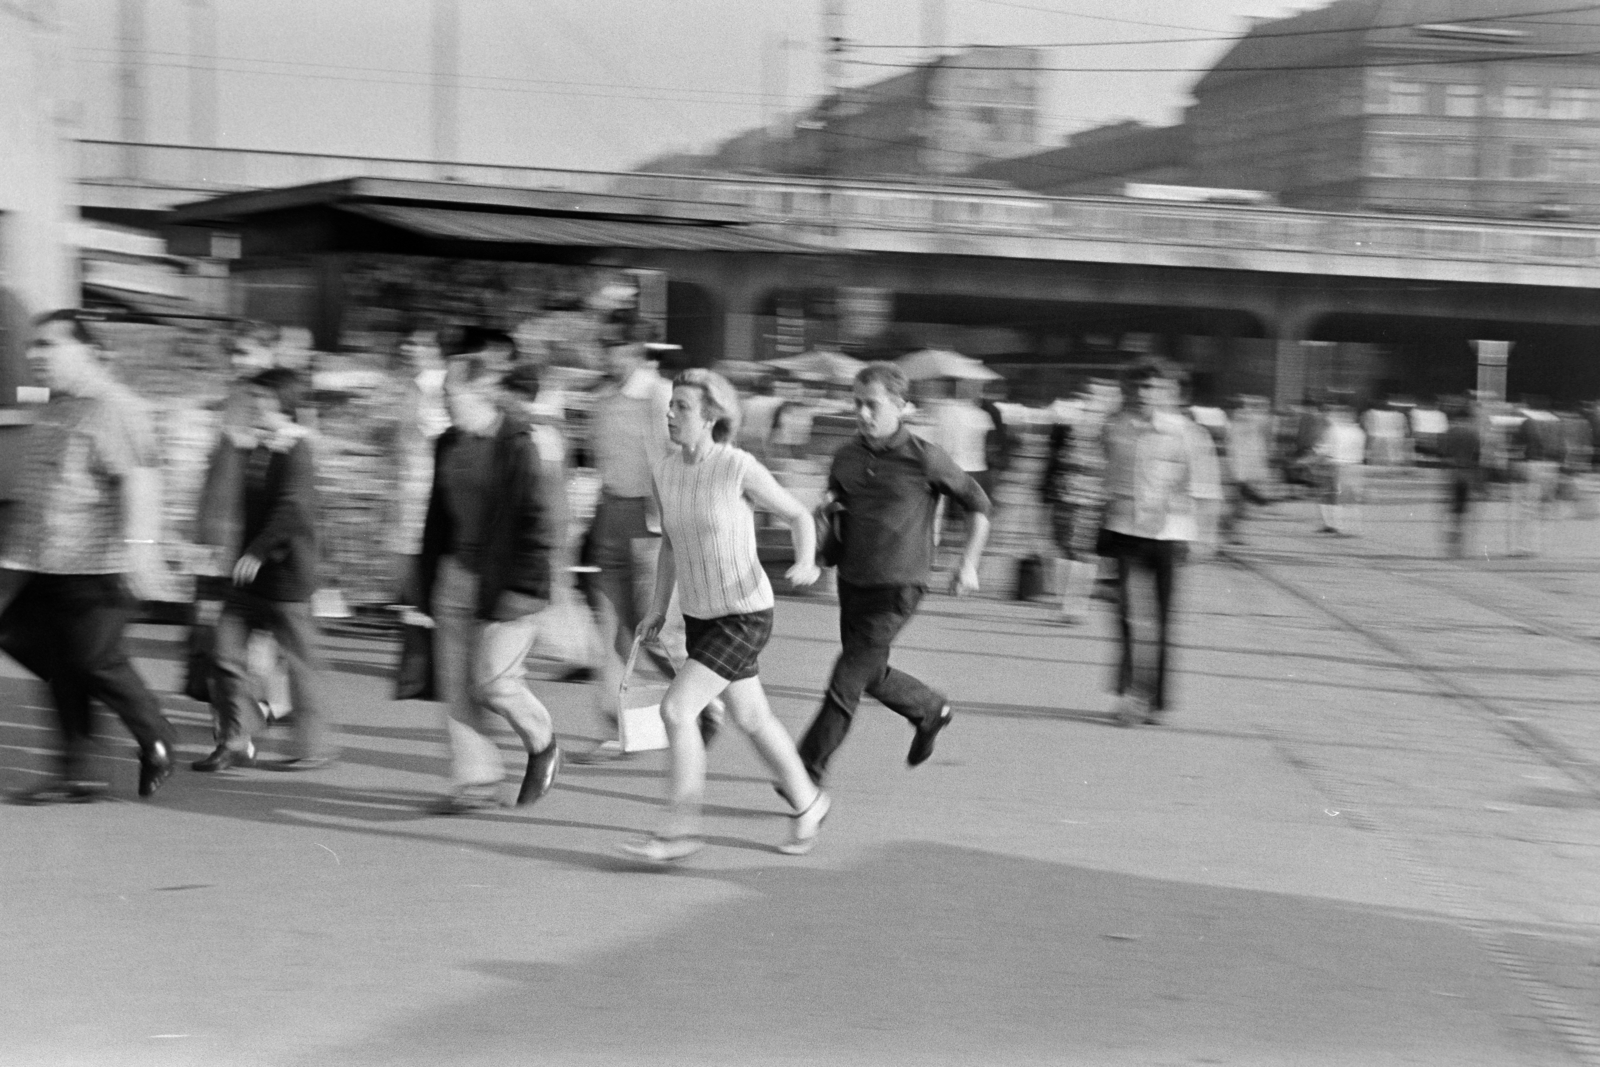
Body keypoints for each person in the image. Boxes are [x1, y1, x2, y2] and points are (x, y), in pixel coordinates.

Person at [620, 370, 828, 863]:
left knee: (677, 709)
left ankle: (679, 828)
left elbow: (799, 514)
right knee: (752, 717)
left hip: (745, 614)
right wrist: (656, 607)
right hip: (700, 617)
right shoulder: (665, 470)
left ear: (712, 415)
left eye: (682, 407)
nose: (670, 413)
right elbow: (670, 543)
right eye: (670, 405)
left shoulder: (737, 466)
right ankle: (809, 801)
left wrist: (805, 561)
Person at [0, 310, 180, 802]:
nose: (36, 355)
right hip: (46, 564)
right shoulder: (56, 407)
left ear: (90, 351)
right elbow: (41, 490)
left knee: (93, 661)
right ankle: (78, 772)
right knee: (49, 656)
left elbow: (140, 480)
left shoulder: (113, 407)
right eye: (33, 345)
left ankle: (156, 734)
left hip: (99, 568)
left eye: (50, 345)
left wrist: (141, 551)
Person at [796, 362, 992, 787]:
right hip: (853, 580)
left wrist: (969, 563)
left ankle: (804, 773)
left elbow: (979, 506)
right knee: (869, 671)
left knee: (846, 677)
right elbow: (834, 510)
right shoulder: (846, 455)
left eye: (873, 405)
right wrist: (817, 546)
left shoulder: (925, 458)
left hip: (900, 585)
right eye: (857, 404)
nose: (863, 414)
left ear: (900, 406)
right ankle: (929, 709)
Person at [413, 346, 565, 813]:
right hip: (455, 575)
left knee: (496, 682)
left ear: (481, 393)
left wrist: (523, 589)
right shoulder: (447, 442)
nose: (445, 404)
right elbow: (436, 516)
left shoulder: (519, 443)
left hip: (507, 580)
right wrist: (423, 580)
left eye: (451, 395)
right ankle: (475, 780)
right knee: (457, 685)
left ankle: (542, 742)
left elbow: (537, 523)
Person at [577, 322, 715, 761]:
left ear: (635, 351)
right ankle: (622, 727)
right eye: (604, 348)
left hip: (651, 523)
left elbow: (682, 457)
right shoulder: (602, 400)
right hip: (611, 514)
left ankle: (705, 698)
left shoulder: (659, 397)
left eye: (614, 348)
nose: (606, 357)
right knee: (614, 628)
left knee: (656, 631)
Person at [191, 369, 333, 772]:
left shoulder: (297, 448)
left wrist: (257, 551)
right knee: (223, 654)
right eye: (254, 399)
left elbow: (293, 508)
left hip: (287, 576)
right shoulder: (257, 446)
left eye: (265, 400)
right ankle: (236, 738)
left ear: (284, 403)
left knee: (302, 665)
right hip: (247, 575)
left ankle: (313, 747)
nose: (257, 406)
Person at [1099, 361, 1222, 728]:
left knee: (1162, 622)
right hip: (1123, 531)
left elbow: (1207, 488)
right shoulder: (1117, 427)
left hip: (1169, 535)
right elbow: (1106, 476)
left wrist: (1206, 535)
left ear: (1170, 392)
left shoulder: (1188, 434)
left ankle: (1154, 700)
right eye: (1140, 386)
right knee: (1125, 617)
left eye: (1154, 387)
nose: (1145, 393)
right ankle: (1130, 695)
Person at [1041, 379, 1115, 624]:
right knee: (1064, 548)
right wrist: (1045, 491)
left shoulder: (1110, 428)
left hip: (1092, 499)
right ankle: (1065, 600)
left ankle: (1075, 604)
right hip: (1064, 495)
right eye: (1088, 394)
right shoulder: (1066, 423)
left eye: (1096, 395)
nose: (1091, 400)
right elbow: (1052, 459)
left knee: (1083, 551)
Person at [1439, 397, 1482, 558]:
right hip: (1468, 474)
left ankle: (1451, 541)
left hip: (1452, 473)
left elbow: (1443, 454)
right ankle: (1460, 545)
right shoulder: (1474, 434)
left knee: (1451, 508)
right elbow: (1477, 458)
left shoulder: (1450, 432)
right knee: (1463, 510)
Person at [1315, 404, 1366, 536]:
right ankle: (1355, 527)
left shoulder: (1334, 429)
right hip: (1355, 466)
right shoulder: (1359, 431)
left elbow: (1325, 447)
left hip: (1336, 465)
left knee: (1331, 496)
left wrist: (1316, 456)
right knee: (1352, 498)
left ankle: (1335, 526)